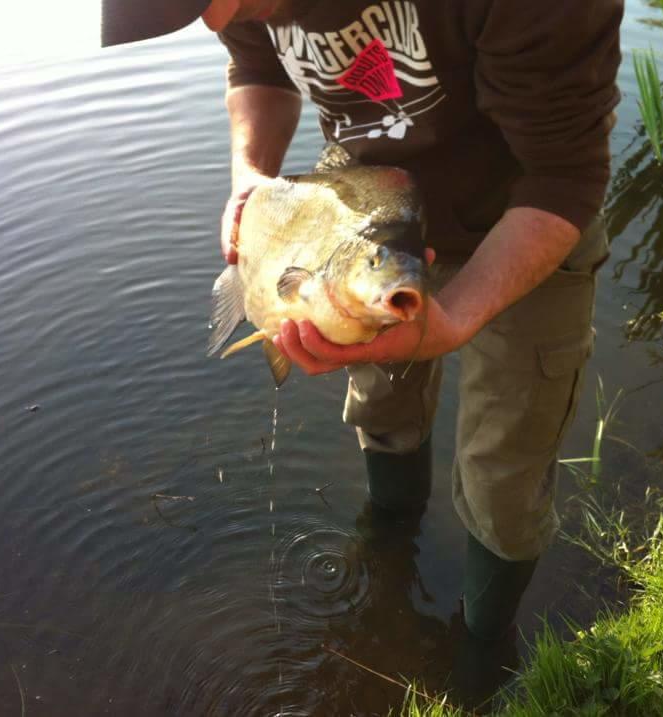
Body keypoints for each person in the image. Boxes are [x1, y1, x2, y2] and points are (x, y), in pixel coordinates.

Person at [102, 0, 623, 644]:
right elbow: (256, 65)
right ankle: (389, 546)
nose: (211, 22)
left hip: (525, 220)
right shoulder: (232, 8)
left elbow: (564, 177)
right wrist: (252, 177)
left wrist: (453, 318)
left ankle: (483, 652)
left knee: (503, 475)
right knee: (382, 412)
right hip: (360, 222)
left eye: (210, 2)